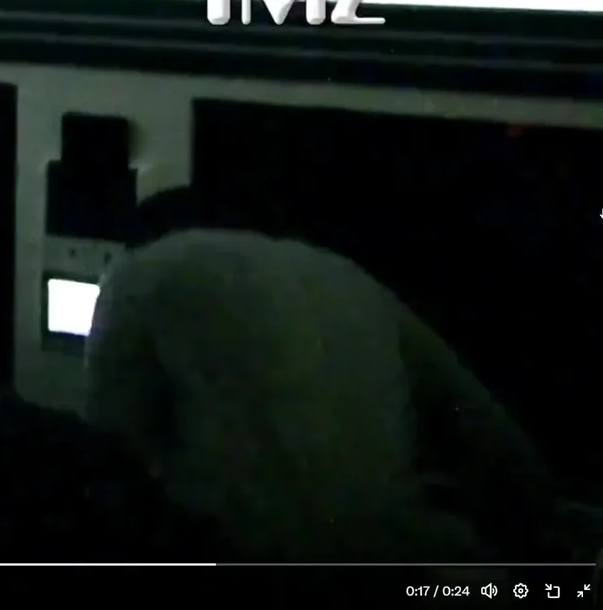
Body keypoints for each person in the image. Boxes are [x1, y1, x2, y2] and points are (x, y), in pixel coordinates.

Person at [83, 186, 559, 564]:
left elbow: (110, 448)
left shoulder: (136, 275)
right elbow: (486, 431)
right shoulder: (346, 277)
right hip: (393, 554)